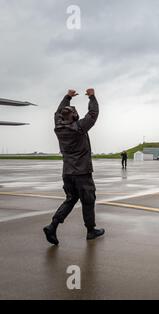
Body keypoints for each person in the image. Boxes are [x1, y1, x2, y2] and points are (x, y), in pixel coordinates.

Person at [43, 89, 105, 245]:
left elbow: (58, 112)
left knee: (70, 199)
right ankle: (91, 231)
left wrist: (67, 97)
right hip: (82, 172)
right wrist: (92, 96)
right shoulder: (79, 127)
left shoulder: (58, 127)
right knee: (88, 200)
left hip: (67, 172)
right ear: (75, 116)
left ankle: (53, 225)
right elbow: (93, 113)